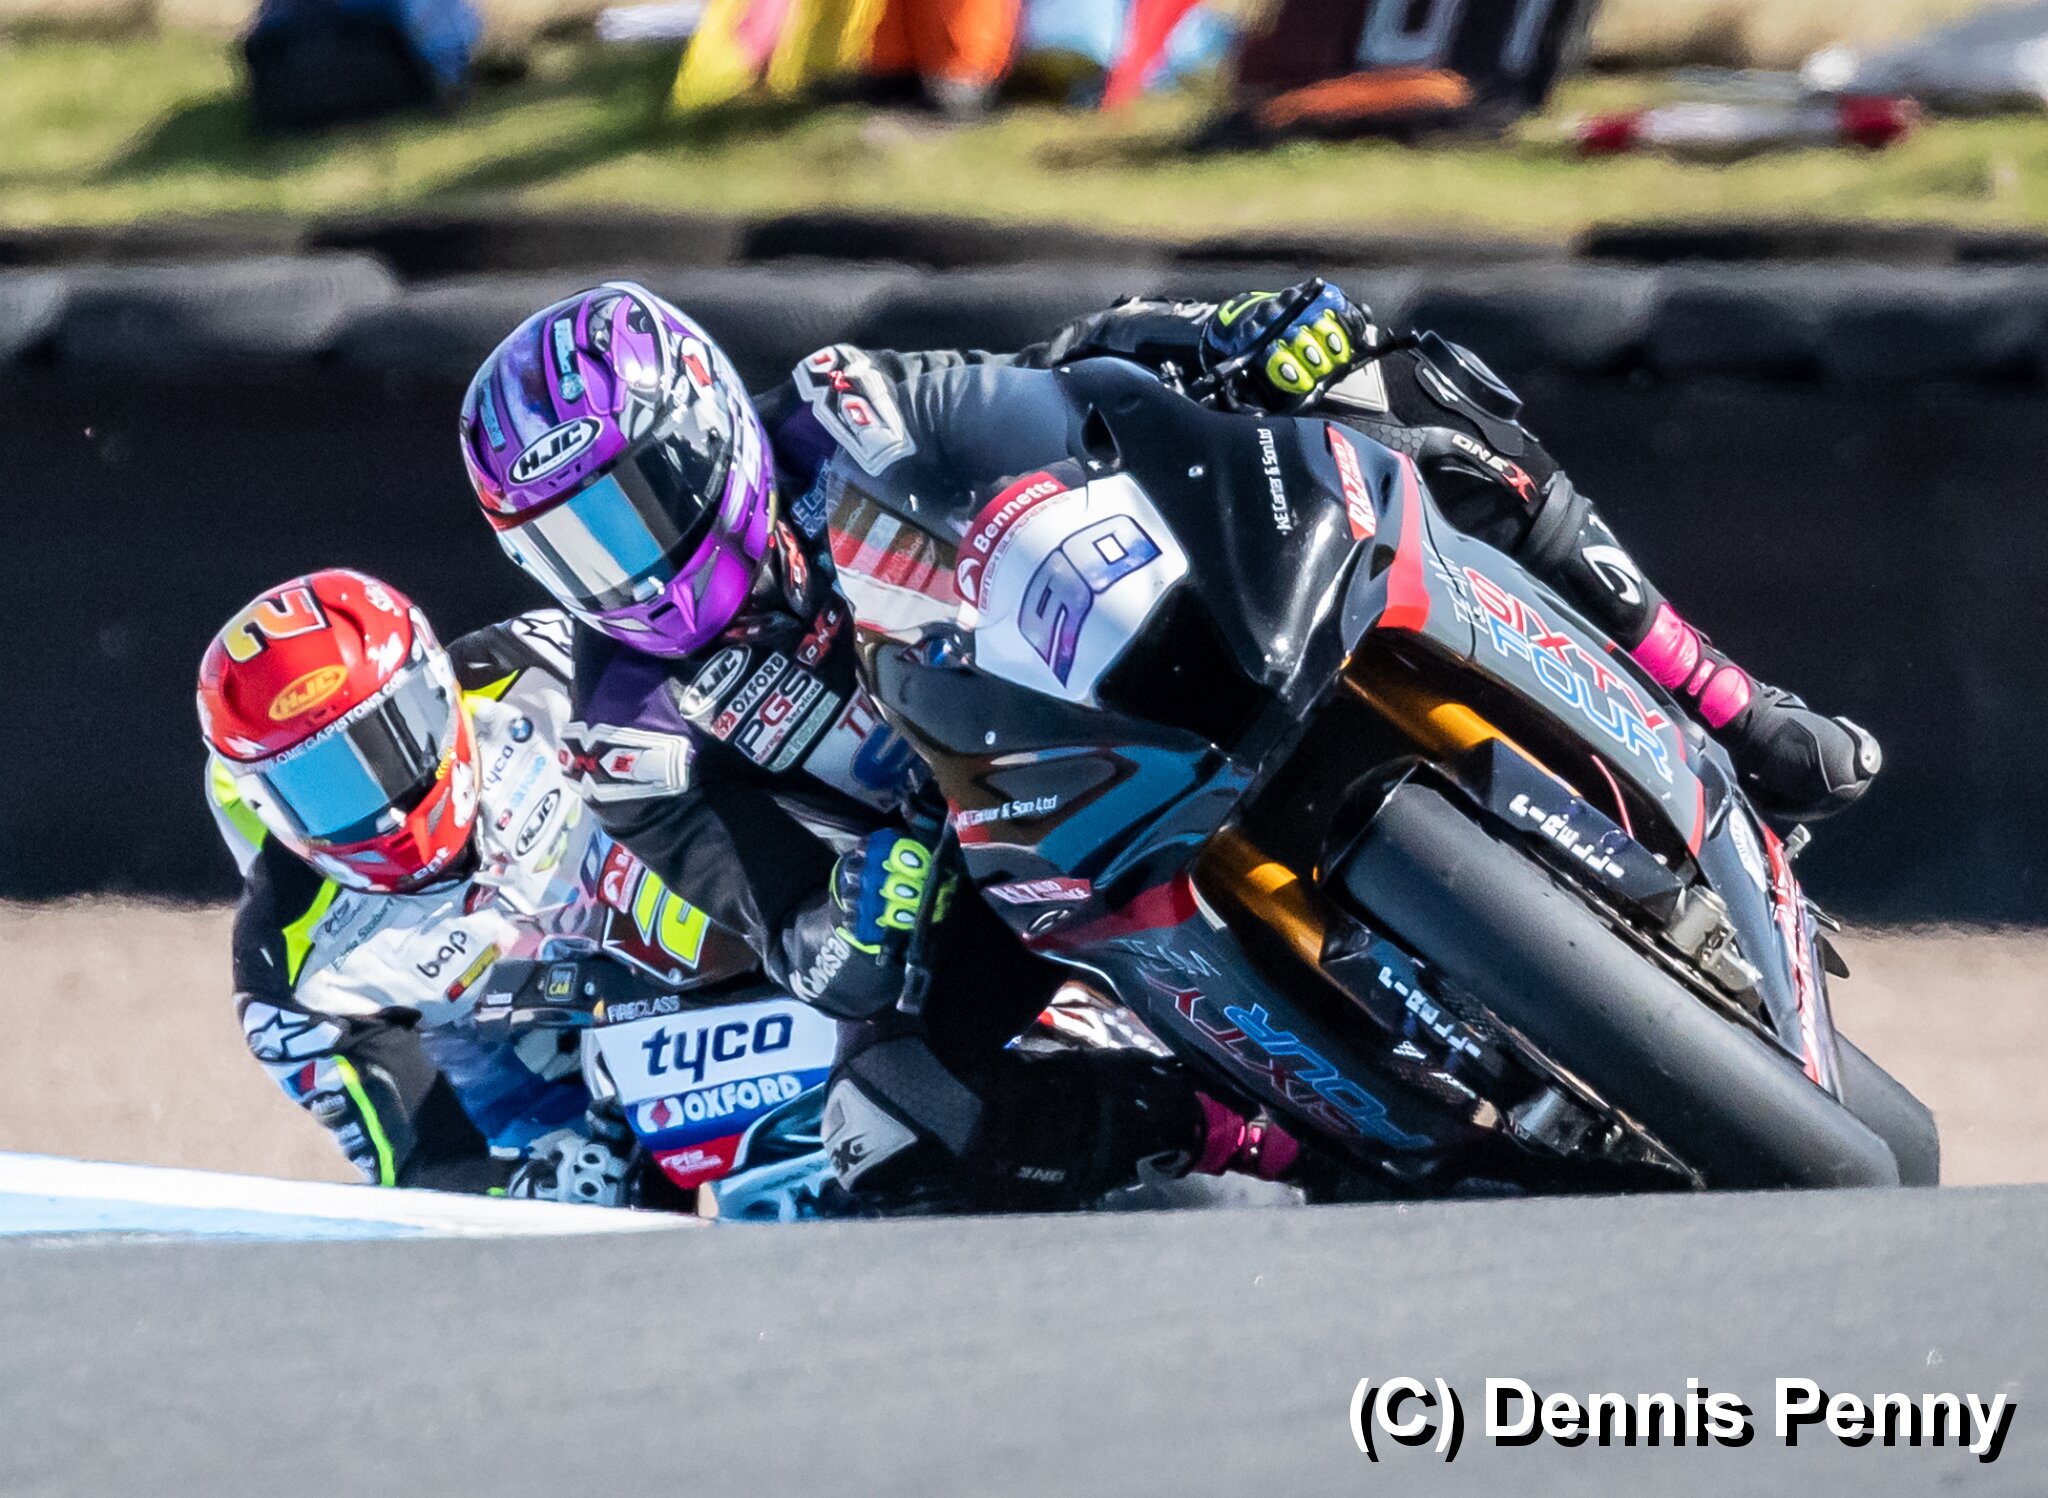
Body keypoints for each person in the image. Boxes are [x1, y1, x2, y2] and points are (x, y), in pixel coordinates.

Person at [455, 280, 1878, 1208]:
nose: (624, 564)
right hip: (976, 860)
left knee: (1391, 382)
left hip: (1109, 667)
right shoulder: (626, 731)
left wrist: (1220, 336)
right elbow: (784, 934)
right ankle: (1277, 1149)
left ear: (707, 428)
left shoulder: (844, 407)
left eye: (635, 502)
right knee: (895, 1122)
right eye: (570, 544)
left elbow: (1057, 383)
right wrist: (857, 920)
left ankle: (1731, 707)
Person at [198, 568, 768, 1206]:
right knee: (585, 1212)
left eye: (391, 739)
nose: (385, 812)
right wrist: (531, 1187)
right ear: (265, 804)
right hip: (549, 1119)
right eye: (323, 787)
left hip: (718, 958)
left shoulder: (542, 663)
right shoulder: (288, 970)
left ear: (438, 687)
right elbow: (422, 1167)